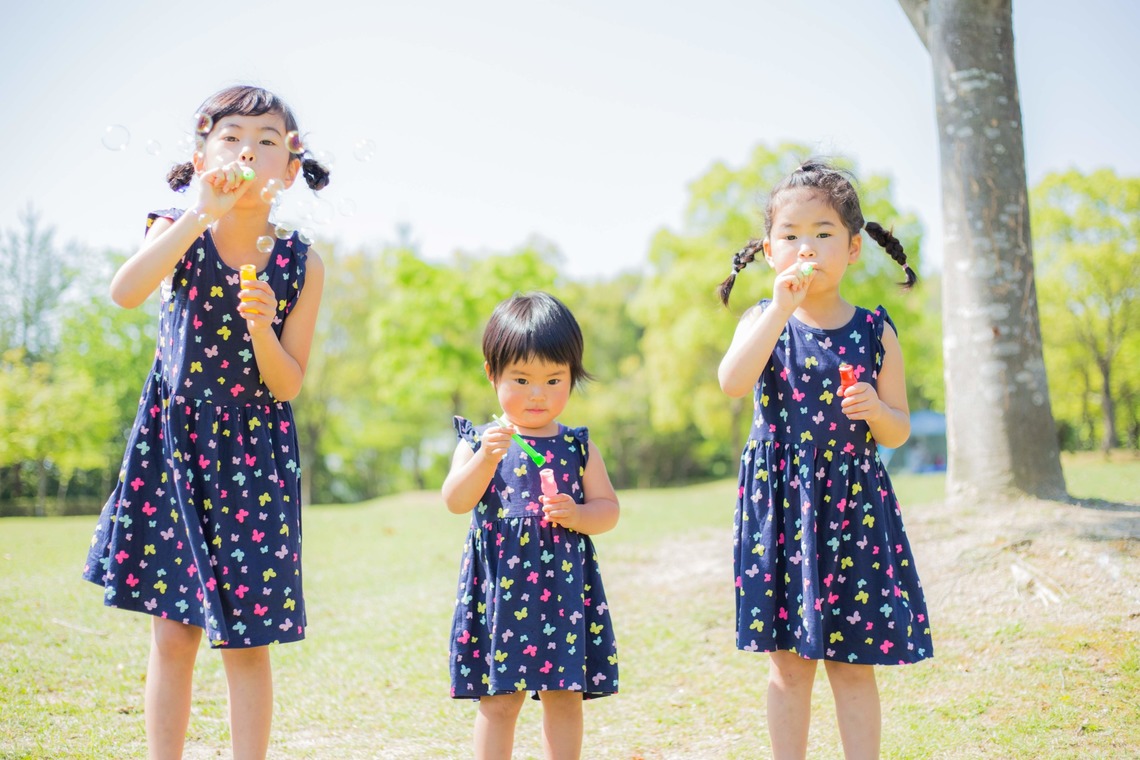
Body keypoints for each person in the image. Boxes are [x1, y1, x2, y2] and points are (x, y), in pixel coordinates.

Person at [82, 85, 329, 760]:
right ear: (200, 153)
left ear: (288, 168)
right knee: (173, 632)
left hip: (253, 458)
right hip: (176, 449)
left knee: (249, 643)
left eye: (269, 140)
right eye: (231, 136)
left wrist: (261, 328)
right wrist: (200, 213)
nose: (248, 149)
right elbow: (126, 291)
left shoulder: (301, 262)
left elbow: (287, 384)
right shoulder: (175, 226)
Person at [716, 160, 932, 760]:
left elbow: (898, 430)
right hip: (782, 510)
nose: (805, 246)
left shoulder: (875, 330)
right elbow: (733, 382)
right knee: (788, 666)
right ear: (768, 250)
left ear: (854, 247)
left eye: (823, 232)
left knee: (854, 665)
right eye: (790, 235)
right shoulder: (763, 319)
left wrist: (874, 410)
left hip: (852, 513)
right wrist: (782, 310)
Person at [442, 292, 620, 760]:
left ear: (572, 377)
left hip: (561, 593)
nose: (537, 394)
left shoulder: (578, 447)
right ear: (492, 374)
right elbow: (455, 501)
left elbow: (608, 509)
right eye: (521, 379)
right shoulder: (480, 441)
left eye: (553, 379)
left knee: (564, 697)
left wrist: (579, 515)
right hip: (502, 591)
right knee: (499, 700)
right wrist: (485, 457)